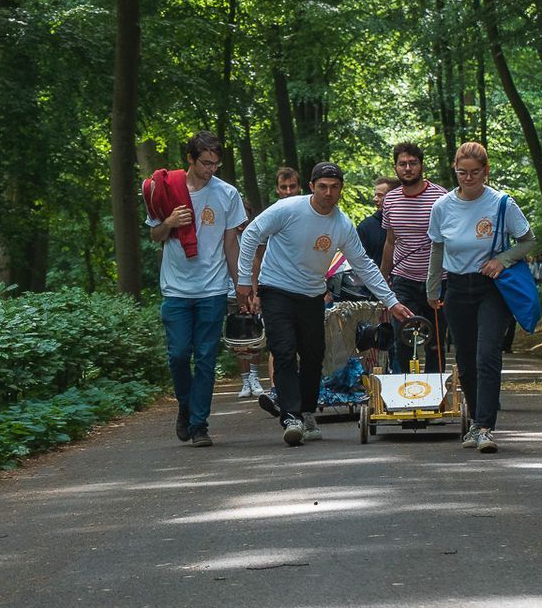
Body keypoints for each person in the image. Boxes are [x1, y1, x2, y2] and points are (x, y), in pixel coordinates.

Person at [238, 162, 413, 446]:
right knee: (284, 350)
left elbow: (364, 265)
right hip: (276, 289)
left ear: (341, 190)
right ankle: (291, 417)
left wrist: (391, 301)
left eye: (334, 187)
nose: (328, 193)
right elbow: (251, 234)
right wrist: (245, 280)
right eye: (322, 187)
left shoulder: (342, 225)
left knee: (313, 354)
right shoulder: (288, 209)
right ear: (311, 187)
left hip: (311, 295)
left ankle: (307, 412)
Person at [427, 142, 537, 453]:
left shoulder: (502, 203)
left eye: (475, 172)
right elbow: (437, 249)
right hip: (457, 288)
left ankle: (486, 427)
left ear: (486, 171)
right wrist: (432, 289)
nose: (468, 178)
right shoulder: (442, 207)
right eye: (462, 172)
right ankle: (476, 420)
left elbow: (527, 241)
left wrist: (502, 260)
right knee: (465, 359)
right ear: (455, 170)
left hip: (492, 288)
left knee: (487, 354)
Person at [147, 132, 248, 447]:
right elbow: (155, 235)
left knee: (205, 357)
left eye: (216, 164)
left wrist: (241, 284)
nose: (211, 170)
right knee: (178, 355)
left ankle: (199, 425)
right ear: (190, 159)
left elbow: (231, 243)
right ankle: (186, 405)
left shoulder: (227, 194)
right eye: (205, 163)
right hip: (175, 289)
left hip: (212, 288)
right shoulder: (166, 189)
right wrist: (169, 222)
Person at [380, 141, 449, 372]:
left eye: (413, 163)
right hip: (403, 280)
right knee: (403, 339)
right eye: (402, 164)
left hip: (437, 280)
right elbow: (390, 241)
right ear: (395, 168)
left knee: (435, 343)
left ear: (421, 166)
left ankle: (435, 389)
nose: (408, 168)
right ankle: (406, 388)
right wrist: (383, 278)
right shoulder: (390, 199)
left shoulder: (441, 197)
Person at [237, 166, 305, 398]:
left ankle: (305, 390)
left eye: (292, 186)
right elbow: (257, 255)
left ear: (300, 187)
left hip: (305, 287)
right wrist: (254, 291)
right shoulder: (270, 216)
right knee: (279, 342)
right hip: (275, 287)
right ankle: (278, 391)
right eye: (283, 187)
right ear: (277, 189)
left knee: (306, 343)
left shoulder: (312, 213)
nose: (288, 191)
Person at [357, 176, 396, 274]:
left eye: (380, 195)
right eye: (375, 195)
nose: (375, 199)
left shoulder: (407, 225)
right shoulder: (366, 227)